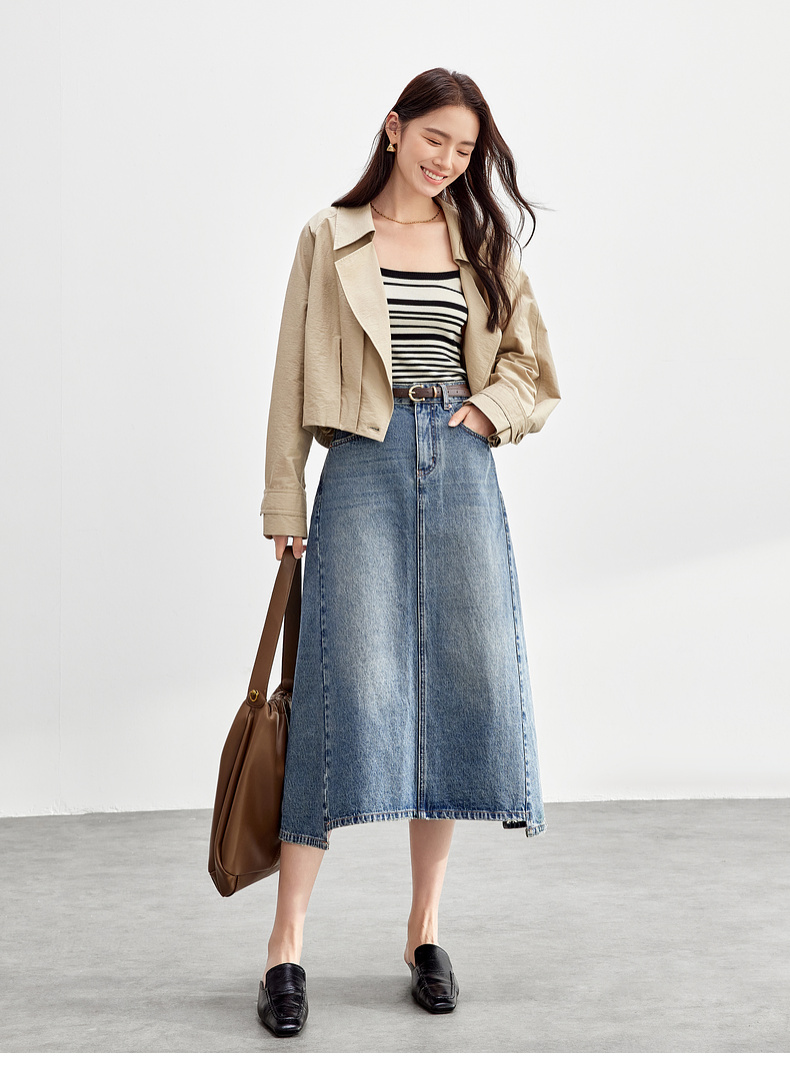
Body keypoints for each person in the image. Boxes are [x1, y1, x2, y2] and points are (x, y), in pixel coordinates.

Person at [257, 67, 561, 1037]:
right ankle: (285, 944)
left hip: (461, 469)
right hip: (362, 463)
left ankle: (424, 929)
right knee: (340, 695)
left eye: (465, 150)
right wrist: (282, 497)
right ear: (394, 129)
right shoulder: (330, 235)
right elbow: (288, 373)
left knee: (457, 689)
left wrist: (485, 412)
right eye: (435, 139)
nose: (448, 161)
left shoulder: (482, 241)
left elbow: (533, 367)